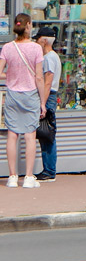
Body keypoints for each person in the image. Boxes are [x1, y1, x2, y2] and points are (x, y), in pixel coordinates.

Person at [1, 13, 45, 186]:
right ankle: (28, 177)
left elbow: (0, 72)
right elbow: (39, 77)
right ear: (28, 26)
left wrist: (10, 75)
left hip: (12, 93)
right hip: (30, 94)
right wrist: (42, 102)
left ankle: (12, 177)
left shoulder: (7, 47)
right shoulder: (35, 48)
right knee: (29, 135)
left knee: (12, 135)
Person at [35, 28, 60, 182]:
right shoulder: (52, 56)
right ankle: (48, 169)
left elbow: (48, 81)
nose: (36, 42)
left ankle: (49, 171)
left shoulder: (49, 58)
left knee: (47, 134)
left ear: (44, 40)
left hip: (48, 96)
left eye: (37, 39)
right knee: (46, 134)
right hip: (49, 96)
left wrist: (42, 103)